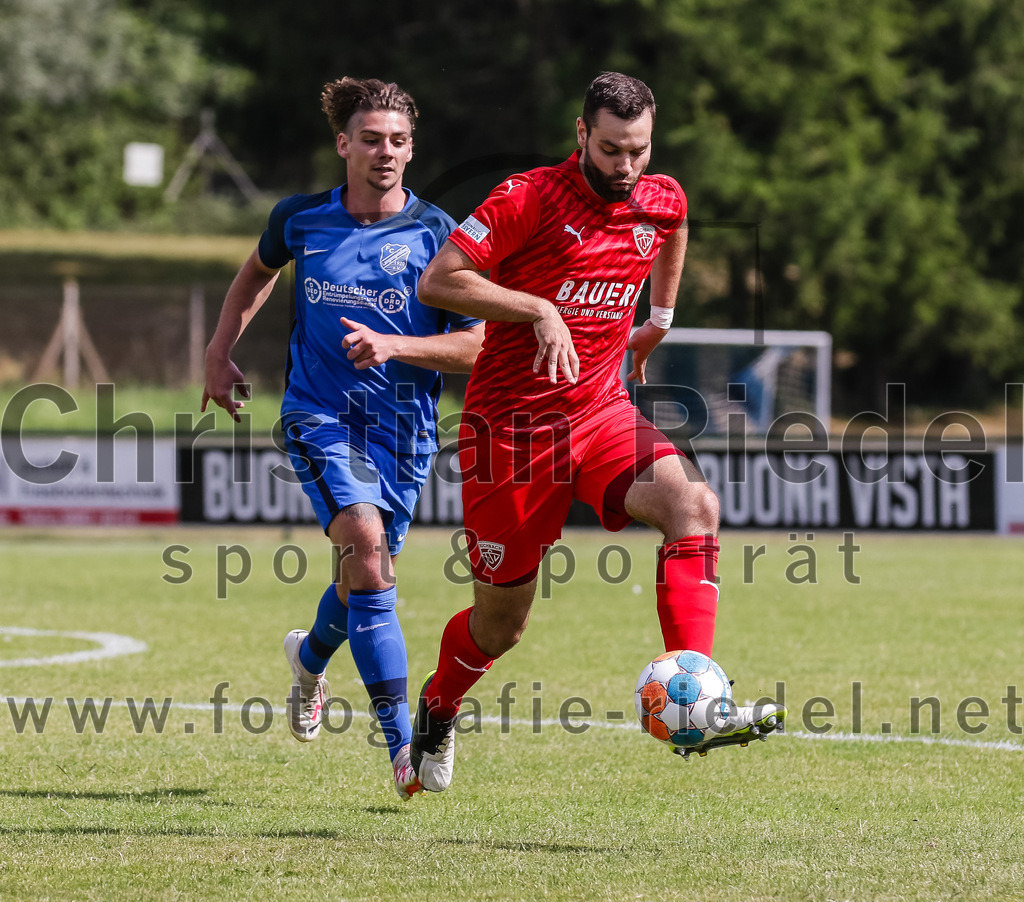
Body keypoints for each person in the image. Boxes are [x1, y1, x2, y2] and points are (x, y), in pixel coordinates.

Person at [410, 71, 785, 792]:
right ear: (582, 134)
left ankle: (699, 696)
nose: (625, 167)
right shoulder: (527, 198)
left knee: (695, 507)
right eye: (611, 150)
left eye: (638, 150)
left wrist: (659, 323)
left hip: (599, 412)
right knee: (501, 627)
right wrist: (537, 309)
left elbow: (671, 228)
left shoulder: (659, 196)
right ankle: (438, 706)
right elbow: (439, 281)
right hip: (509, 433)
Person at [202, 76, 484, 800]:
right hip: (319, 416)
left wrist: (396, 348)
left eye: (396, 141)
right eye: (369, 139)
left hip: (405, 433)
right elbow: (255, 274)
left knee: (368, 571)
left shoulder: (437, 235)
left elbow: (478, 344)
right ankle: (404, 754)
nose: (384, 152)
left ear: (412, 149)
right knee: (363, 544)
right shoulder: (301, 220)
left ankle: (310, 657)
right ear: (343, 145)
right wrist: (219, 349)